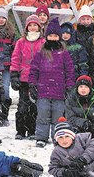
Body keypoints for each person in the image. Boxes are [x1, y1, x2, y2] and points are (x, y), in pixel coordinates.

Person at [29, 18, 75, 147]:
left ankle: (57, 137)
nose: (53, 38)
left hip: (59, 91)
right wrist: (32, 84)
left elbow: (70, 70)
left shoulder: (64, 54)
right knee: (43, 114)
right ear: (46, 37)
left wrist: (69, 86)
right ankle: (41, 137)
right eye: (50, 35)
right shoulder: (40, 53)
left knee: (58, 116)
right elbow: (34, 70)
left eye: (55, 36)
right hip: (43, 90)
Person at [10, 14, 45, 140]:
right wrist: (14, 74)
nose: (33, 28)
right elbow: (15, 58)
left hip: (37, 79)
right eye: (30, 25)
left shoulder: (43, 42)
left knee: (34, 106)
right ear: (27, 28)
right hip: (24, 79)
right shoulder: (21, 42)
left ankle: (32, 130)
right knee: (22, 106)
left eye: (35, 25)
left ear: (39, 27)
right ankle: (20, 130)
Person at [65, 75, 94, 148]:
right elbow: (70, 119)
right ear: (77, 88)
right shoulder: (70, 101)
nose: (83, 89)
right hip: (76, 133)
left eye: (86, 87)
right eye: (81, 87)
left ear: (90, 88)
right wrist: (85, 123)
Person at [0, 7, 16, 127]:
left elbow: (14, 50)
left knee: (5, 91)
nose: (1, 20)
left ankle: (4, 115)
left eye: (3, 18)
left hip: (6, 66)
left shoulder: (11, 33)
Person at [74, 6, 94, 83]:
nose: (85, 21)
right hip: (81, 62)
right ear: (79, 20)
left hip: (93, 63)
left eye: (88, 19)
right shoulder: (76, 33)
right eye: (83, 19)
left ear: (91, 20)